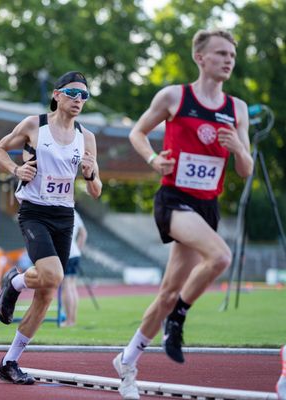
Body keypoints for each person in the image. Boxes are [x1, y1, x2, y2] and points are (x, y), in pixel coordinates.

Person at [113, 29, 253, 400]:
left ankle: (127, 361)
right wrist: (152, 159)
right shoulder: (175, 96)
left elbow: (246, 169)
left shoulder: (236, 109)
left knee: (167, 292)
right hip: (174, 198)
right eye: (221, 53)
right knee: (221, 256)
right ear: (200, 58)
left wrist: (239, 147)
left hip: (207, 205)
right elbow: (138, 132)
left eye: (232, 56)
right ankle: (178, 319)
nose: (228, 60)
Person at [0, 71, 102, 384]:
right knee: (54, 275)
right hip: (34, 211)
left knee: (48, 292)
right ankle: (14, 284)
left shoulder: (86, 137)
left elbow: (96, 191)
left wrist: (91, 174)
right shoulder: (34, 125)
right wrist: (16, 168)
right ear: (56, 94)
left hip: (64, 215)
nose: (78, 99)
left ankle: (9, 362)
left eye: (84, 95)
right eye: (72, 93)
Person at [61, 209, 87, 327]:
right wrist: (78, 249)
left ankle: (69, 320)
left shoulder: (62, 209)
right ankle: (72, 319)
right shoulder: (75, 212)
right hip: (75, 253)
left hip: (67, 252)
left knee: (67, 286)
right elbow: (83, 233)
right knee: (72, 286)